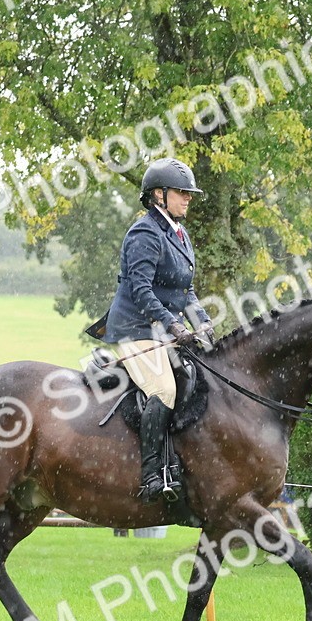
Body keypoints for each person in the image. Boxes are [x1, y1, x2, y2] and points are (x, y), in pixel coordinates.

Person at [85, 158, 215, 503]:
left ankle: (182, 465)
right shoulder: (144, 233)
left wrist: (201, 322)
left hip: (163, 331)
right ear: (159, 194)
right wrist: (173, 323)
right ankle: (152, 475)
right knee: (164, 389)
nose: (188, 198)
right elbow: (141, 290)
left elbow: (186, 291)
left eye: (189, 193)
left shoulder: (179, 234)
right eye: (182, 192)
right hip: (135, 328)